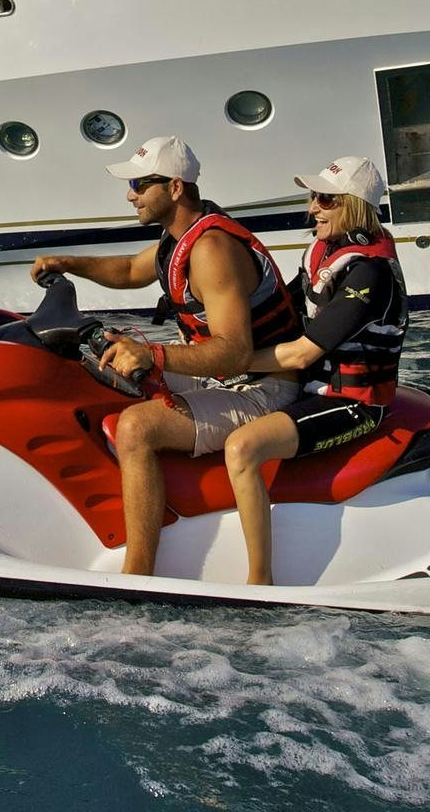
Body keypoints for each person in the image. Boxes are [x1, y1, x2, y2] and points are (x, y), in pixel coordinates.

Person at [29, 134, 304, 577]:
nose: (130, 194)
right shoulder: (174, 239)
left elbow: (235, 353)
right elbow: (128, 271)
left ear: (175, 188)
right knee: (100, 371)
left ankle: (138, 573)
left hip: (261, 389)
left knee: (135, 428)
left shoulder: (213, 250)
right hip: (222, 376)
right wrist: (67, 263)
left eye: (140, 184)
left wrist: (153, 355)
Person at [220, 155, 407, 586]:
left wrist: (231, 359)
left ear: (355, 206)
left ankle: (259, 581)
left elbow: (303, 353)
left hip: (353, 403)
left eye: (325, 199)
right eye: (313, 197)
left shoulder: (369, 273)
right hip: (311, 390)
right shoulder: (324, 255)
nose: (312, 208)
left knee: (241, 448)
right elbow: (281, 314)